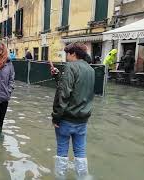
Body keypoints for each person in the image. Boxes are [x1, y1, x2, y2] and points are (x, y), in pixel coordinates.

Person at [51, 42, 95, 179]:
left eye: (67, 54)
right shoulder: (90, 70)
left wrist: (56, 117)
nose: (66, 57)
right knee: (80, 152)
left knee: (62, 151)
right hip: (83, 120)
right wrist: (58, 76)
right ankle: (83, 177)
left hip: (66, 119)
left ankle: (60, 177)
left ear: (73, 54)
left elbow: (64, 94)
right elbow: (79, 90)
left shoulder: (70, 67)